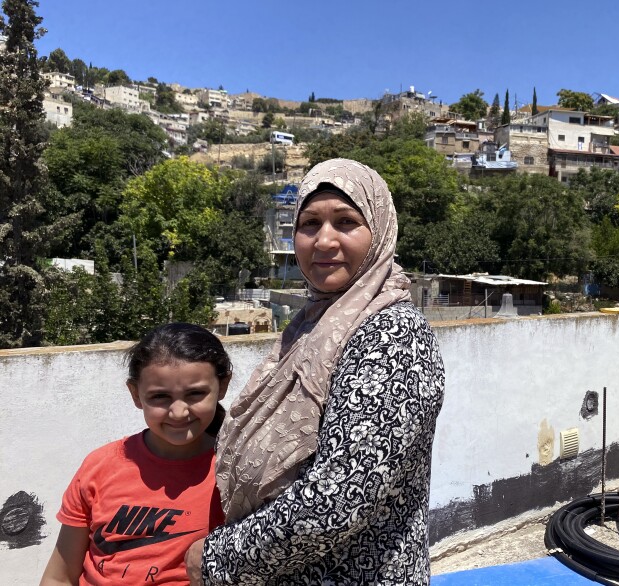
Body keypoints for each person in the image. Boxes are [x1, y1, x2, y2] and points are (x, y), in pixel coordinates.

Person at [186, 159, 445, 585]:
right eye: (309, 223)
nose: (324, 241)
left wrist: (217, 560)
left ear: (379, 232)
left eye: (346, 222)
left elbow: (339, 500)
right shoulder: (315, 323)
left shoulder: (393, 334)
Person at [39, 323, 231, 586]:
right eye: (160, 397)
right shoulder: (100, 465)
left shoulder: (234, 473)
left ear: (222, 386)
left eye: (195, 394)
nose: (178, 412)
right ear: (135, 394)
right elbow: (59, 577)